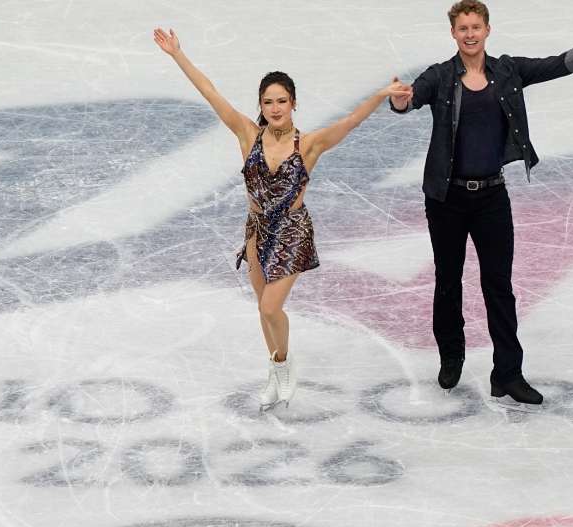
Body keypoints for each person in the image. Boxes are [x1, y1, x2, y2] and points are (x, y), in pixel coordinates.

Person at [389, 2, 573, 406]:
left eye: (476, 27)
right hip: (446, 199)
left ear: (488, 30)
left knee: (499, 286)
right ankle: (451, 355)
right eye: (463, 28)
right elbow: (407, 102)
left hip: (491, 198)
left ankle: (508, 373)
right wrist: (400, 99)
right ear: (453, 33)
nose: (470, 34)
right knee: (448, 282)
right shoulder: (440, 75)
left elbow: (560, 64)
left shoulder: (507, 71)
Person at [154, 28, 412, 410]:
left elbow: (350, 123)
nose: (275, 108)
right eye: (268, 102)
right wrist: (178, 54)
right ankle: (275, 370)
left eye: (282, 101)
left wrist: (378, 96)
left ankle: (284, 364)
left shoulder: (307, 145)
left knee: (270, 308)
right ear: (261, 105)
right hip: (257, 232)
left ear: (294, 104)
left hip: (292, 231)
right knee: (263, 309)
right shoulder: (248, 135)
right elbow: (211, 93)